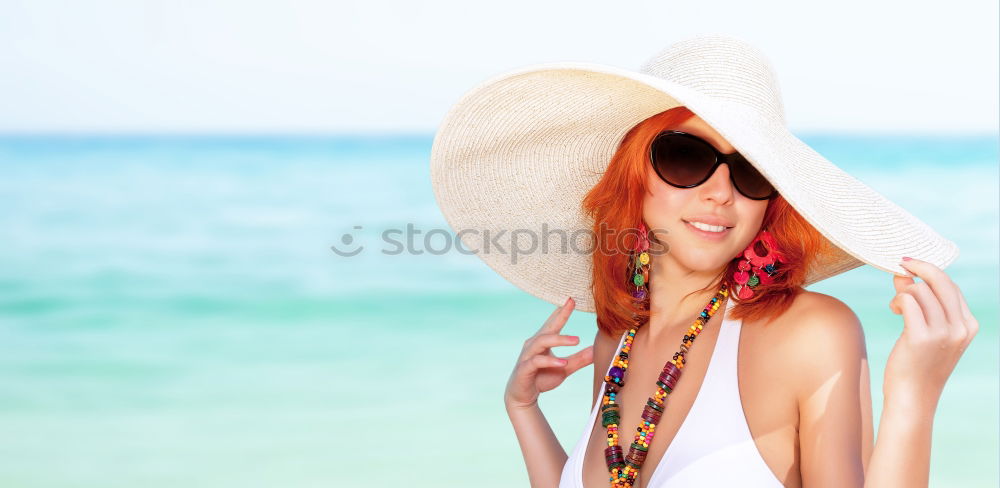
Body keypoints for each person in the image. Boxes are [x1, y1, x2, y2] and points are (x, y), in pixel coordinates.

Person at [429, 34, 979, 488]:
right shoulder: (615, 340)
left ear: (771, 201)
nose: (720, 192)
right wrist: (525, 411)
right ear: (633, 176)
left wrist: (914, 395)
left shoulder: (810, 331)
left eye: (750, 171)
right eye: (685, 156)